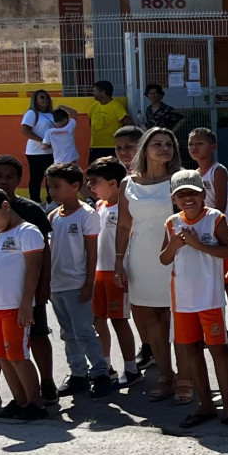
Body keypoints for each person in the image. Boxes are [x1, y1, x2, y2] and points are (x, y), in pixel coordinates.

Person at [160, 168, 228, 430]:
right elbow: (163, 258)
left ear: (202, 194)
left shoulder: (214, 218)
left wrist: (198, 246)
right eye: (181, 194)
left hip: (209, 299)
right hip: (183, 300)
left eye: (193, 193)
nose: (188, 199)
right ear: (174, 198)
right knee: (191, 350)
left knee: (219, 350)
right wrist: (174, 245)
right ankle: (205, 404)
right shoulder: (172, 222)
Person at [115, 127, 182, 402]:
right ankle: (166, 376)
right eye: (157, 143)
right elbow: (123, 225)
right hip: (142, 258)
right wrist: (119, 262)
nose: (164, 148)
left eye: (169, 143)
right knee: (152, 320)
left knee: (180, 320)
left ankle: (187, 379)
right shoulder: (127, 184)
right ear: (145, 148)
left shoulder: (180, 181)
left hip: (178, 258)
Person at [43, 164, 112, 397]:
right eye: (49, 186)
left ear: (75, 186)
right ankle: (78, 374)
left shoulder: (87, 214)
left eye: (57, 186)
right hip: (56, 285)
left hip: (76, 284)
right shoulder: (53, 215)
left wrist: (88, 284)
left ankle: (101, 373)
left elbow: (92, 253)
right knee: (67, 332)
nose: (52, 191)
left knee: (83, 331)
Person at [0, 187, 44, 421]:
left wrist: (27, 303)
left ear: (5, 206)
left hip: (14, 306)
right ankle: (19, 400)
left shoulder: (28, 232)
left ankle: (36, 403)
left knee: (17, 355)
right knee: (1, 356)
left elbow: (33, 270)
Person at [85, 159, 139, 388]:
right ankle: (105, 366)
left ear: (114, 183)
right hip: (98, 273)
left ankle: (131, 368)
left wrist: (122, 267)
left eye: (95, 182)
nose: (89, 186)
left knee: (119, 321)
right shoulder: (99, 207)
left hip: (117, 273)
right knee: (99, 321)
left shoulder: (126, 209)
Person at [19, 89, 56, 203]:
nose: (45, 100)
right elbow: (25, 130)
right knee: (36, 178)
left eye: (47, 97)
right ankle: (35, 201)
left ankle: (51, 200)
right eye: (41, 97)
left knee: (51, 178)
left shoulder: (53, 114)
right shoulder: (32, 113)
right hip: (36, 152)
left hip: (51, 151)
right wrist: (42, 141)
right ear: (35, 100)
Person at [87, 81, 133, 163]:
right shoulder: (94, 106)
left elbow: (129, 124)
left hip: (112, 147)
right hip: (96, 147)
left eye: (95, 91)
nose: (93, 93)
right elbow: (90, 123)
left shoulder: (116, 106)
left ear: (103, 92)